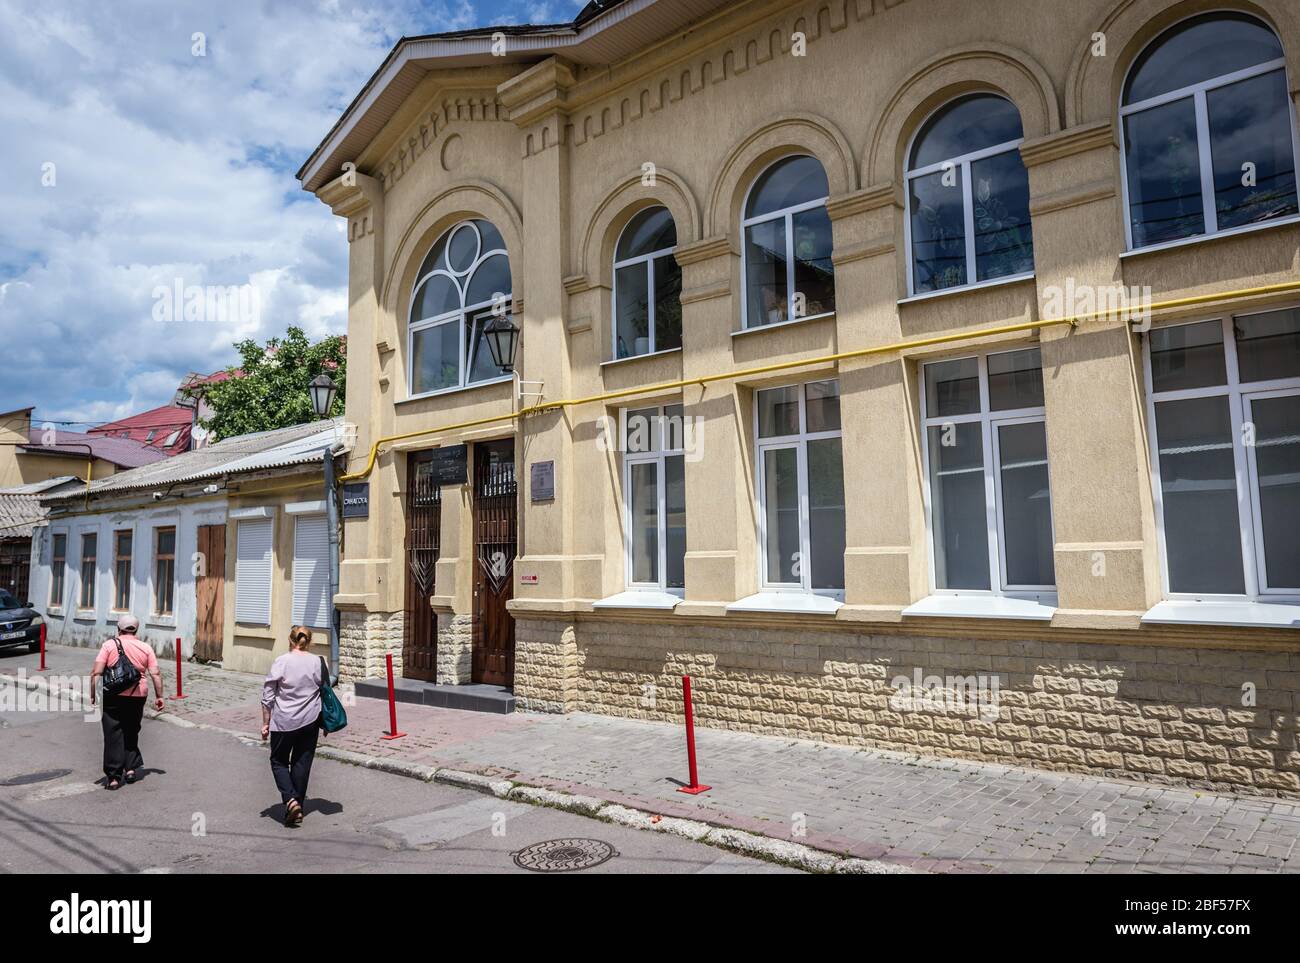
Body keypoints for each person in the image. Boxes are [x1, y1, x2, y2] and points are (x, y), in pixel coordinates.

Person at [89, 614, 165, 791]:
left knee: (113, 732)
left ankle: (114, 777)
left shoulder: (109, 645)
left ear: (118, 628)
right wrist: (160, 696)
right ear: (137, 629)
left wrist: (93, 694)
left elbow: (96, 673)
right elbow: (155, 673)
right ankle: (130, 769)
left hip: (113, 695)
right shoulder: (145, 647)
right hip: (138, 694)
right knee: (131, 729)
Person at [261, 625, 323, 827]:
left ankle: (290, 800)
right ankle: (298, 806)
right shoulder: (318, 662)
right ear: (309, 641)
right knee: (302, 763)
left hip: (284, 722)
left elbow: (268, 695)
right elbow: (324, 692)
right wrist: (326, 723)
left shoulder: (282, 661)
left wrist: (265, 723)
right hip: (310, 720)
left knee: (278, 760)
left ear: (290, 640)